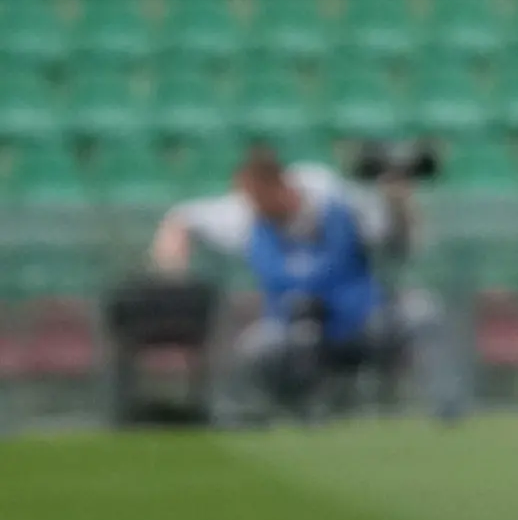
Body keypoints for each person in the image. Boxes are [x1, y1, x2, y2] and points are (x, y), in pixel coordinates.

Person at [148, 145, 399, 419]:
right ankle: (285, 412)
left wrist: (396, 194)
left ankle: (418, 409)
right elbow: (182, 219)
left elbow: (383, 230)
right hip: (289, 325)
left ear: (278, 187)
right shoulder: (251, 215)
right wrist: (171, 262)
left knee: (411, 318)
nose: (253, 207)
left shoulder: (326, 193)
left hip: (356, 316)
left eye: (258, 198)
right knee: (257, 347)